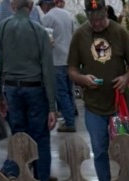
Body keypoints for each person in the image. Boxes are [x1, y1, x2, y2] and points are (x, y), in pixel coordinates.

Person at [67, 0, 129, 181]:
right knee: (99, 150)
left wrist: (126, 78)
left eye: (99, 19)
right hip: (94, 106)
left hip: (118, 104)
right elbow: (72, 69)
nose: (97, 23)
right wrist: (83, 79)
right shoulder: (79, 35)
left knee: (125, 149)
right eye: (92, 20)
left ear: (105, 12)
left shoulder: (119, 32)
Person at [0, 0, 56, 181]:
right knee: (40, 138)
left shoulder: (3, 28)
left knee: (18, 136)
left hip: (11, 90)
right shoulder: (39, 31)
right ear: (30, 7)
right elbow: (48, 70)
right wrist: (52, 107)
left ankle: (18, 178)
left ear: (13, 7)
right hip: (35, 88)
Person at [39, 0, 78, 131]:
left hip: (57, 60)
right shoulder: (67, 14)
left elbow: (46, 40)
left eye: (41, 6)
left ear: (45, 5)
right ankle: (71, 116)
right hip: (70, 59)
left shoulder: (47, 18)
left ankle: (69, 123)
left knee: (61, 93)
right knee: (69, 91)